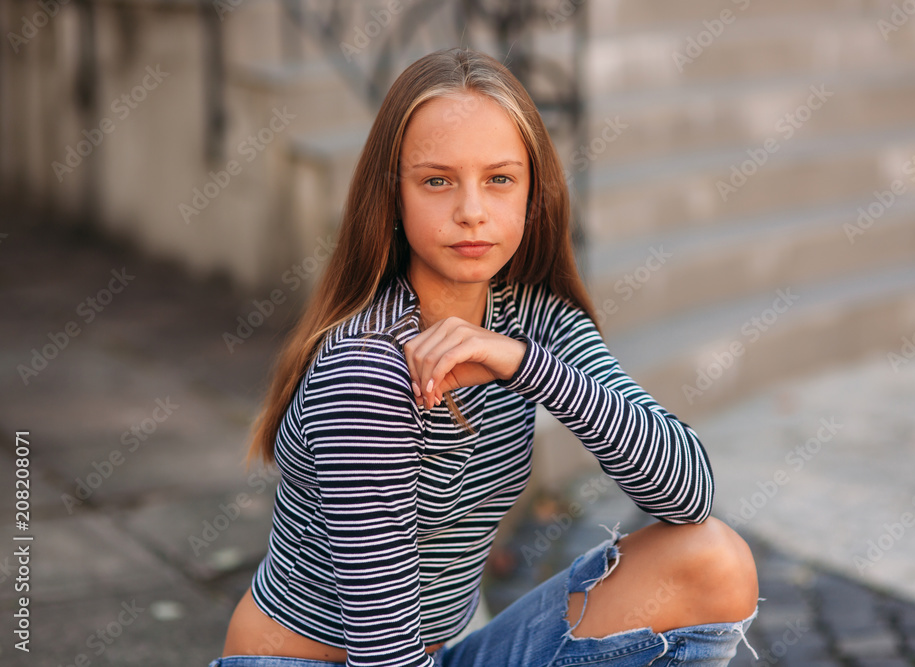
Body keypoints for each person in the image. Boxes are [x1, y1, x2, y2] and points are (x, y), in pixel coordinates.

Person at [214, 47, 759, 667]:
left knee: (713, 561)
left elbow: (688, 493)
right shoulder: (366, 369)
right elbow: (383, 653)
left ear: (532, 193)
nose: (471, 211)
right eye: (437, 180)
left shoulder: (536, 321)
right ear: (393, 196)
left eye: (499, 179)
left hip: (445, 649)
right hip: (330, 662)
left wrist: (528, 366)